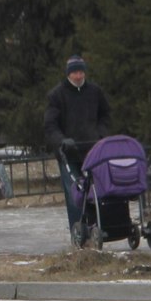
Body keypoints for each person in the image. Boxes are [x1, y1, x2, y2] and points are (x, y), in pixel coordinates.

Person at [43, 54, 111, 232]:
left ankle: (97, 227)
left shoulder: (95, 91)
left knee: (96, 191)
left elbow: (105, 115)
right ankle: (78, 230)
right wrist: (62, 141)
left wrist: (101, 134)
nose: (79, 76)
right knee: (75, 192)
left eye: (81, 72)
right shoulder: (56, 95)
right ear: (68, 74)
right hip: (69, 153)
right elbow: (50, 125)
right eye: (75, 73)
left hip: (92, 150)